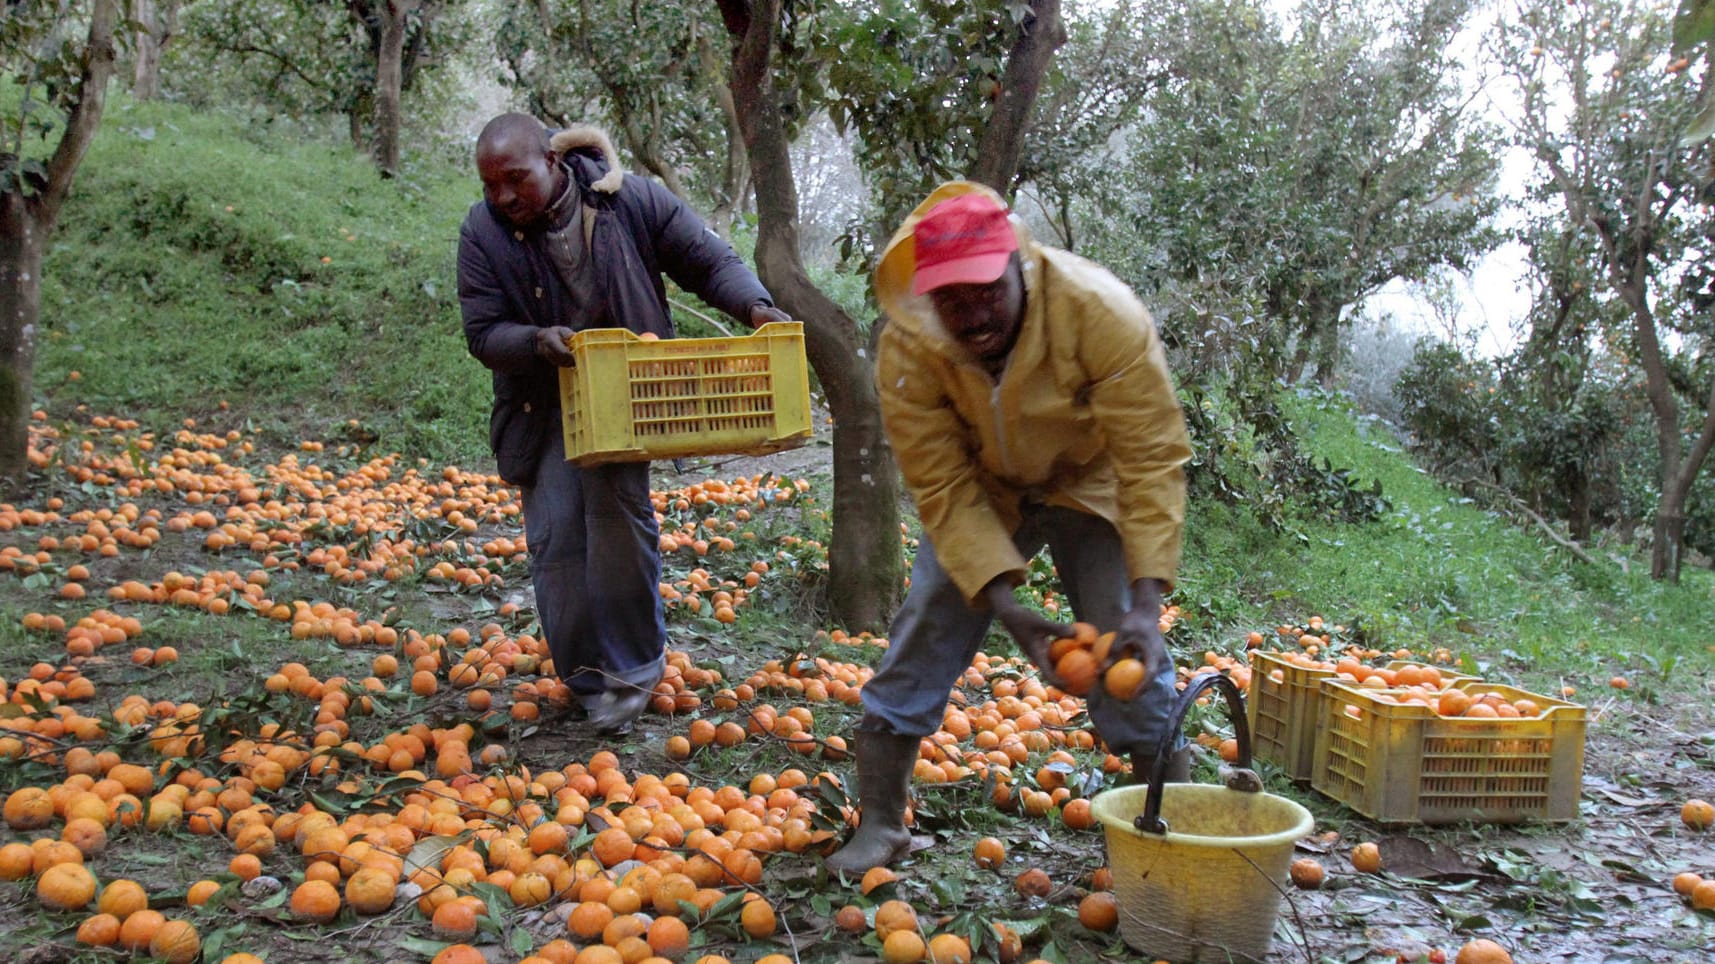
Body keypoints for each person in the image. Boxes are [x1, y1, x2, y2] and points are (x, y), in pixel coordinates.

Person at [824, 181, 1194, 875]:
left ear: (1017, 266)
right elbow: (939, 481)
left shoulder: (1097, 312)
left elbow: (1149, 457)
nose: (970, 313)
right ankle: (880, 824)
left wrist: (1146, 605)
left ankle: (1168, 821)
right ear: (925, 295)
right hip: (984, 486)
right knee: (930, 615)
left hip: (1091, 477)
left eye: (986, 290)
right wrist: (1004, 605)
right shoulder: (911, 348)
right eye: (950, 298)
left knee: (1124, 644)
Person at [456, 113, 790, 734]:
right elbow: (482, 331)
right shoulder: (483, 232)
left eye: (514, 179)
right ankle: (586, 679)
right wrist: (535, 340)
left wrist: (756, 305)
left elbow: (705, 258)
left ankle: (633, 672)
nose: (502, 197)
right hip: (543, 404)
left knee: (614, 526)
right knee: (556, 540)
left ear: (552, 162)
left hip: (623, 396)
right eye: (489, 184)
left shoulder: (626, 199)